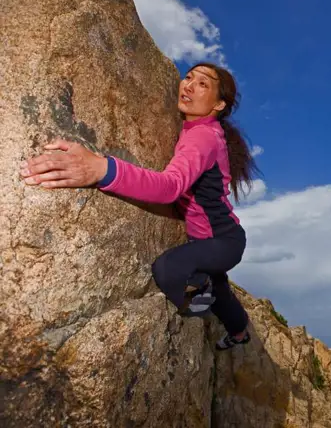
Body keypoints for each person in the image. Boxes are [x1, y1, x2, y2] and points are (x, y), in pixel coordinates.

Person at [19, 62, 259, 351]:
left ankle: (202, 295)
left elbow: (169, 187)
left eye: (203, 84)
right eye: (189, 77)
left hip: (222, 241)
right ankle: (239, 332)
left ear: (219, 104)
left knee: (168, 270)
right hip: (219, 239)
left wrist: (102, 169)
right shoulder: (203, 129)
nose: (189, 85)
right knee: (221, 291)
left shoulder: (203, 137)